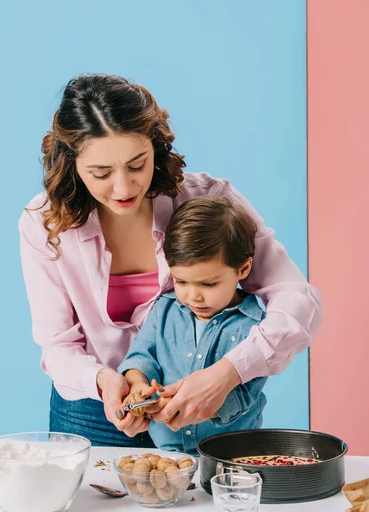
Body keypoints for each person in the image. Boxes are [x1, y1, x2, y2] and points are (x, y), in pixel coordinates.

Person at [19, 73, 323, 446]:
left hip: (211, 410)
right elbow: (58, 345)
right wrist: (107, 382)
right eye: (100, 173)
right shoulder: (44, 223)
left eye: (137, 165)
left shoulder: (209, 199)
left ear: (155, 147)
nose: (123, 187)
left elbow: (297, 300)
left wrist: (228, 373)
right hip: (92, 410)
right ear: (71, 164)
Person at [117, 196, 267, 453]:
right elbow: (142, 355)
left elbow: (245, 395)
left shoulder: (256, 328)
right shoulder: (164, 308)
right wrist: (138, 385)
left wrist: (189, 402)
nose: (193, 296)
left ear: (243, 268)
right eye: (181, 282)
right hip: (167, 452)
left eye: (208, 284)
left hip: (233, 454)